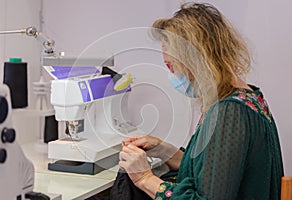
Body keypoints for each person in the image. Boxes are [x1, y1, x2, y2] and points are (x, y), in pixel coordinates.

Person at [118, 2, 284, 200]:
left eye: (171, 66)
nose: (171, 74)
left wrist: (144, 178)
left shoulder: (228, 114)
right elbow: (215, 174)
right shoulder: (248, 98)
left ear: (194, 62)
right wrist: (165, 150)